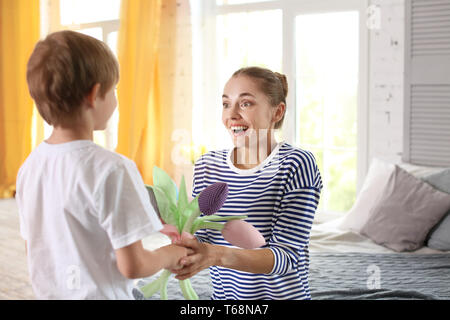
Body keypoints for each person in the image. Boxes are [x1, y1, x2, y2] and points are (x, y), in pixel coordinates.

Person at [16, 30, 188, 299]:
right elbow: (134, 265)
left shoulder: (29, 167)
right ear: (94, 94)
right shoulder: (112, 168)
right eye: (114, 90)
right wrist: (169, 254)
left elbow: (35, 250)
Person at [172, 66, 323, 299]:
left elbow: (286, 256)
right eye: (225, 104)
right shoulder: (207, 165)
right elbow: (201, 235)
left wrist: (215, 255)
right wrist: (183, 238)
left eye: (245, 103)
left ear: (277, 112)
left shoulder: (296, 164)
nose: (231, 114)